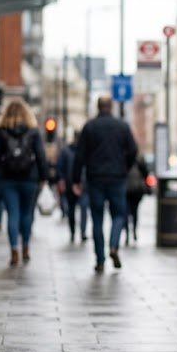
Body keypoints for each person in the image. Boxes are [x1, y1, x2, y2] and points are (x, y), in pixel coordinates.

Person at [72, 97, 138, 273]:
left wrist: (76, 180)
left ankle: (100, 259)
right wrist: (124, 167)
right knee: (118, 215)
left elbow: (79, 156)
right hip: (117, 177)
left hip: (95, 178)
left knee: (97, 219)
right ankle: (114, 245)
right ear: (111, 107)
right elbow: (133, 150)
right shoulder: (122, 127)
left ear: (98, 107)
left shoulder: (90, 127)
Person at [0, 100, 49, 266]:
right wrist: (43, 177)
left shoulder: (2, 132)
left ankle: (14, 249)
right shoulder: (34, 132)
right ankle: (26, 247)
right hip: (30, 179)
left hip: (8, 179)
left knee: (12, 214)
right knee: (27, 214)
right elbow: (41, 156)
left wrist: (2, 168)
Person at [56, 133, 88, 244]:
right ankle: (73, 232)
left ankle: (82, 232)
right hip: (71, 186)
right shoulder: (66, 151)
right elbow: (60, 168)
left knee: (83, 209)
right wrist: (62, 180)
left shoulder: (84, 151)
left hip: (83, 186)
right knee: (71, 210)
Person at [124, 154, 150, 246]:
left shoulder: (124, 157)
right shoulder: (139, 159)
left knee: (126, 213)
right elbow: (146, 174)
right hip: (136, 190)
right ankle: (133, 232)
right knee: (134, 212)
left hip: (127, 190)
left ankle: (127, 234)